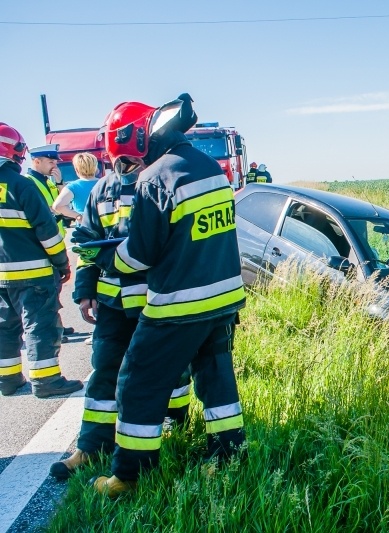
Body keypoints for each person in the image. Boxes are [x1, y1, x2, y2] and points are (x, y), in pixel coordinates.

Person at [91, 94, 246, 497]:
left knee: (136, 382)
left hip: (178, 304)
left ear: (141, 144)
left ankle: (129, 476)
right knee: (217, 381)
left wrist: (104, 256)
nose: (128, 169)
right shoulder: (208, 166)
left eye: (126, 161)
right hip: (223, 298)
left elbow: (140, 255)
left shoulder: (155, 179)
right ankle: (229, 458)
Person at [49, 165, 192, 480]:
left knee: (169, 369)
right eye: (119, 159)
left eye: (131, 160)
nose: (125, 167)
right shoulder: (102, 188)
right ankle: (91, 446)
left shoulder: (162, 184)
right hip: (114, 303)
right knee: (105, 371)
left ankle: (174, 427)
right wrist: (85, 292)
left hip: (159, 301)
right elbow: (86, 243)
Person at [0, 123, 83, 398]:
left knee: (5, 327)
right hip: (33, 274)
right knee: (39, 326)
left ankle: (8, 380)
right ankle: (46, 381)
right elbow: (47, 231)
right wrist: (62, 262)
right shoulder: (21, 185)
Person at [26, 145, 75, 339]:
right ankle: (53, 329)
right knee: (48, 291)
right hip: (41, 246)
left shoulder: (49, 182)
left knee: (54, 290)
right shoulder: (29, 183)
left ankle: (57, 326)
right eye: (50, 161)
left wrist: (60, 182)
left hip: (55, 241)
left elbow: (65, 205)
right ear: (36, 161)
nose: (55, 165)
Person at [52, 152, 100, 225]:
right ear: (96, 168)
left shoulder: (73, 186)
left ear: (76, 169)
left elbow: (57, 206)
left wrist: (78, 216)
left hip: (86, 229)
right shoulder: (105, 183)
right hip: (107, 226)